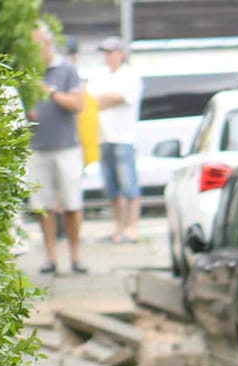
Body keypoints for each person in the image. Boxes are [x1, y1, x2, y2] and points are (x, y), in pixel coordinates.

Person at [27, 24, 88, 274]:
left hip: (66, 147)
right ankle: (51, 257)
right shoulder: (27, 70)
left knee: (72, 204)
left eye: (35, 44)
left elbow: (78, 104)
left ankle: (75, 257)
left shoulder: (67, 70)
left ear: (47, 43)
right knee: (43, 206)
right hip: (37, 147)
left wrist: (51, 92)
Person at [91, 36, 143, 243]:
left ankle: (132, 227)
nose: (108, 57)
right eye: (105, 53)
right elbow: (93, 101)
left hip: (124, 138)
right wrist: (107, 99)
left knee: (129, 185)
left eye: (111, 52)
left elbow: (118, 97)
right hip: (103, 137)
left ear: (121, 54)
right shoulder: (99, 77)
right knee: (111, 187)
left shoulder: (130, 76)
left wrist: (105, 99)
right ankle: (118, 227)